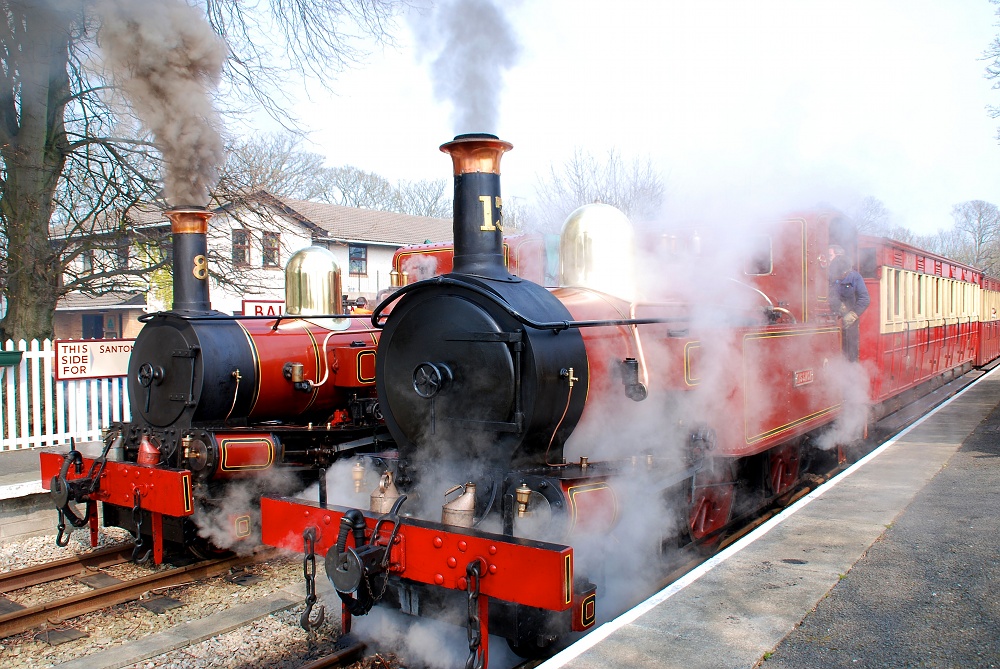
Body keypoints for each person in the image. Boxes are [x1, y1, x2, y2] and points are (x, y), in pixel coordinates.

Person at [828, 255, 870, 362]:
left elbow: (864, 299)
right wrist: (838, 305)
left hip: (849, 323)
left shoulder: (856, 278)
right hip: (832, 321)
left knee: (850, 353)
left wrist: (852, 315)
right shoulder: (830, 277)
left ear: (846, 272)